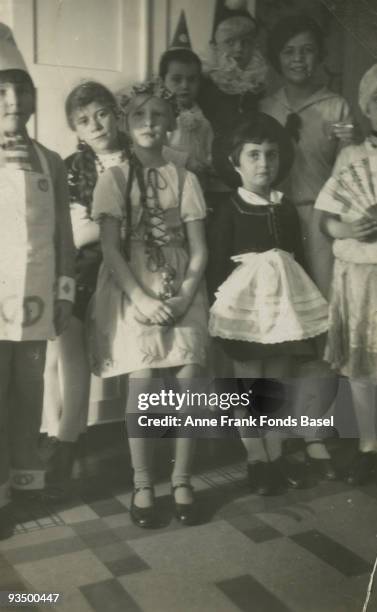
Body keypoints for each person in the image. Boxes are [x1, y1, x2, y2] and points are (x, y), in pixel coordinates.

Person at [88, 79, 208, 527]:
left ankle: (182, 478)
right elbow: (112, 250)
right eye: (139, 115)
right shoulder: (114, 178)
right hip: (132, 286)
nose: (149, 123)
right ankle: (143, 483)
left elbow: (199, 249)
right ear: (125, 122)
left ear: (171, 123)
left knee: (191, 374)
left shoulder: (185, 178)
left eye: (158, 115)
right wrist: (140, 297)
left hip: (182, 286)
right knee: (144, 379)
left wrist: (185, 296)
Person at [207, 113, 328, 495]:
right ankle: (256, 458)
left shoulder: (285, 206)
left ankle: (275, 456)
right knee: (249, 384)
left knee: (274, 384)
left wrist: (310, 305)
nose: (263, 164)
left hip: (282, 312)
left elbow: (298, 260)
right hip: (244, 314)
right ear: (235, 162)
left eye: (271, 155)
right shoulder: (230, 208)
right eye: (254, 155)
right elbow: (216, 264)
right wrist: (220, 313)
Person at [261, 15, 354, 475]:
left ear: (319, 57)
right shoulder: (265, 104)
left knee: (321, 324)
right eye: (290, 51)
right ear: (278, 59)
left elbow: (352, 174)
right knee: (280, 326)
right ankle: (276, 431)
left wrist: (355, 142)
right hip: (272, 221)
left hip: (320, 222)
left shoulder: (338, 109)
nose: (299, 59)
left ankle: (314, 429)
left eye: (307, 51)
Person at [0, 24, 75, 539]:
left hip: (36, 297)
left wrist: (64, 291)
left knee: (29, 390)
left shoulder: (50, 160)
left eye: (20, 88)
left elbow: (65, 238)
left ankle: (26, 482)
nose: (11, 100)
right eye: (0, 90)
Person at [42, 82, 130, 500]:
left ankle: (139, 441)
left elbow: (137, 223)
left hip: (129, 265)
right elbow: (71, 232)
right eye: (83, 120)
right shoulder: (71, 166)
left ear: (116, 113)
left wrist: (103, 227)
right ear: (74, 129)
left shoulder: (138, 158)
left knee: (134, 346)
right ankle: (65, 438)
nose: (95, 125)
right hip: (83, 266)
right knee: (66, 346)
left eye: (101, 113)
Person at [315, 63, 377, 485]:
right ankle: (369, 446)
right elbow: (325, 216)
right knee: (362, 366)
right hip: (358, 273)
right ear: (368, 108)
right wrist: (348, 228)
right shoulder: (352, 155)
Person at [198, 0, 267, 192]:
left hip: (246, 175)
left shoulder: (257, 87)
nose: (239, 49)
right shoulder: (204, 84)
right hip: (210, 175)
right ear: (215, 46)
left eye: (246, 42)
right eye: (230, 42)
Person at [158, 12, 213, 185]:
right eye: (176, 79)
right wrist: (186, 161)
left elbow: (209, 147)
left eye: (192, 79)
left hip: (197, 185)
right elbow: (153, 148)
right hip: (165, 182)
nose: (184, 86)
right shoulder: (158, 115)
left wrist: (209, 165)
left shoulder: (203, 118)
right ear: (162, 81)